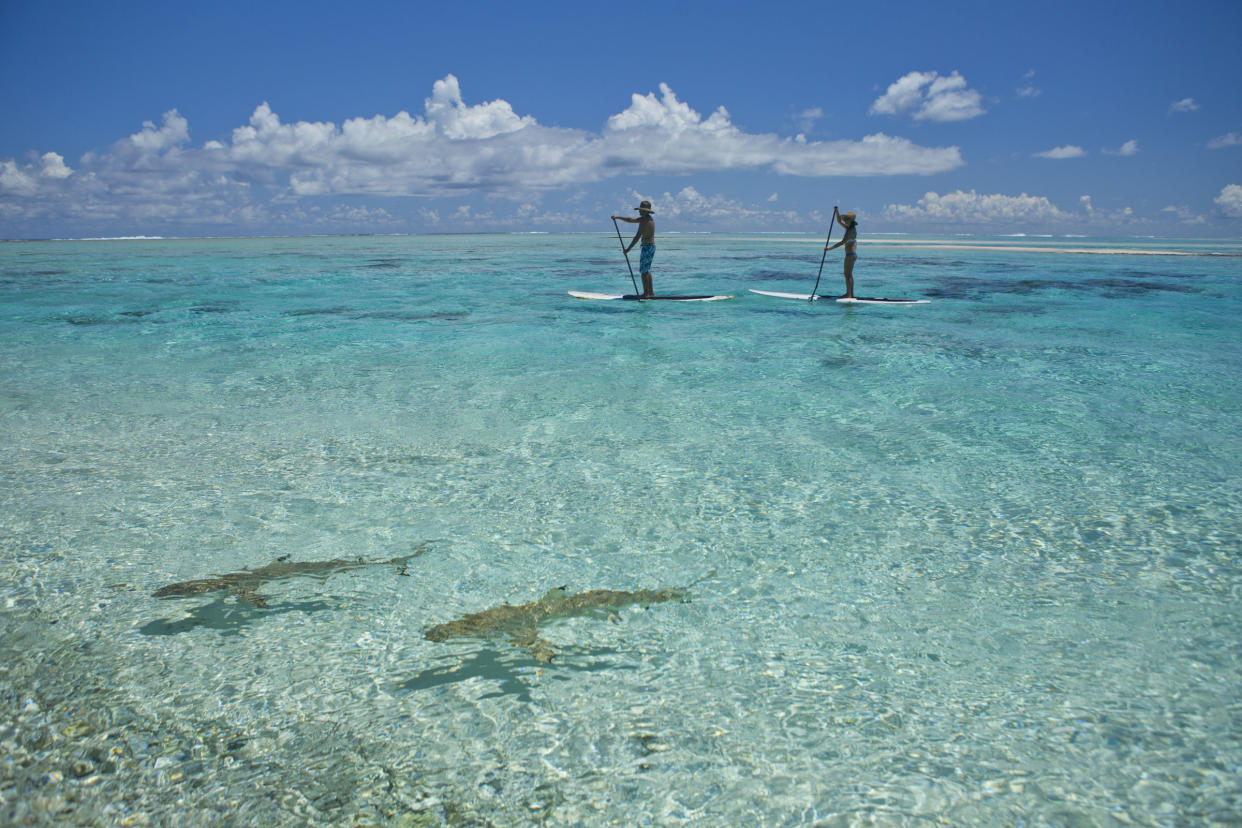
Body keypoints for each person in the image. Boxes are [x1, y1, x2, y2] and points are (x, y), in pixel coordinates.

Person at [612, 200, 656, 298]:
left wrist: (628, 250)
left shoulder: (644, 221)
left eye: (641, 210)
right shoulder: (649, 219)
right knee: (646, 270)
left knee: (643, 272)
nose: (639, 212)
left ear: (646, 212)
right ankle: (650, 293)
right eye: (640, 210)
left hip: (647, 247)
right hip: (651, 246)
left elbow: (636, 237)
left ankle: (646, 294)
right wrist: (618, 218)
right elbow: (631, 220)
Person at [824, 209, 858, 299]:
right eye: (845, 219)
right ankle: (850, 294)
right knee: (848, 274)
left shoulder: (851, 230)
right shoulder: (848, 228)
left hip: (850, 255)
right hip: (851, 255)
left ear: (851, 221)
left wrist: (829, 249)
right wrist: (837, 211)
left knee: (847, 274)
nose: (845, 221)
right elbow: (839, 221)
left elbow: (842, 242)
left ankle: (849, 295)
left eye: (847, 220)